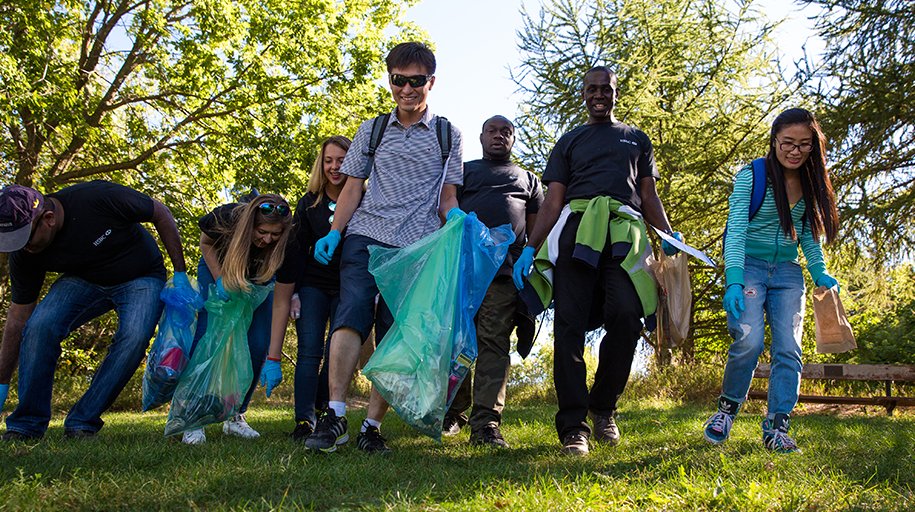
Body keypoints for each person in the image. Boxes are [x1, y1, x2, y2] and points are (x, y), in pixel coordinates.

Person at [305, 41, 464, 454]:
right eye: (399, 80)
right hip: (365, 236)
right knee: (350, 312)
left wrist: (457, 219)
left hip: (416, 248)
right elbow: (353, 186)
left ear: (431, 82)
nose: (407, 89)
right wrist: (335, 232)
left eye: (416, 81)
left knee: (396, 334)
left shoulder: (449, 135)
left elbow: (447, 198)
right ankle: (336, 415)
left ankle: (371, 427)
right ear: (390, 79)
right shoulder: (371, 130)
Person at [513, 66, 680, 456]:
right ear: (584, 93)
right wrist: (529, 247)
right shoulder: (570, 141)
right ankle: (574, 426)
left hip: (624, 235)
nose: (599, 95)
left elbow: (648, 196)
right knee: (569, 326)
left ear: (616, 93)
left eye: (606, 89)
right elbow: (554, 200)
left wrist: (669, 234)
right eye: (592, 89)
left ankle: (603, 408)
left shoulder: (636, 139)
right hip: (577, 235)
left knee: (626, 315)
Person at [0, 181, 190, 440]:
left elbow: (160, 212)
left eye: (26, 239)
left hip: (141, 275)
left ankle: (82, 420)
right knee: (40, 326)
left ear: (49, 218)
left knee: (134, 336)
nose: (23, 248)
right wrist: (2, 381)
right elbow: (18, 319)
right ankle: (26, 425)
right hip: (83, 280)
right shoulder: (25, 254)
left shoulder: (98, 198)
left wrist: (179, 273)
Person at [703, 108, 840, 453]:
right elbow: (735, 230)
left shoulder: (811, 182)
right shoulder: (753, 175)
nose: (795, 152)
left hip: (787, 272)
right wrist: (733, 279)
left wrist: (819, 270)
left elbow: (807, 236)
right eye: (788, 143)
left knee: (789, 349)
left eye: (804, 145)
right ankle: (727, 410)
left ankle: (777, 425)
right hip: (748, 266)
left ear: (814, 147)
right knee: (748, 340)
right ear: (774, 141)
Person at [441, 115, 543, 448]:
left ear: (513, 139)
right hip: (463, 267)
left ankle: (486, 424)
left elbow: (537, 228)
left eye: (506, 132)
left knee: (493, 343)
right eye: (492, 131)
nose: (499, 136)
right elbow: (446, 204)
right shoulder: (465, 171)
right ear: (482, 137)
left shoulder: (528, 180)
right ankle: (453, 412)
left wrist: (529, 257)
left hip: (504, 272)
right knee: (455, 342)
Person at [180, 193, 293, 445]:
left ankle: (235, 415)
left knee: (257, 344)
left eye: (275, 235)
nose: (267, 239)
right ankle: (193, 417)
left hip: (259, 280)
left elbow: (282, 286)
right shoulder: (227, 217)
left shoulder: (285, 240)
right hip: (219, 269)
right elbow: (206, 241)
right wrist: (220, 278)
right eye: (262, 231)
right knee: (208, 338)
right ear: (251, 223)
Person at [262, 135, 352, 442]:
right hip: (312, 285)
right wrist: (295, 292)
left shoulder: (362, 198)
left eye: (341, 160)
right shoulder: (308, 202)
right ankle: (304, 420)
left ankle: (328, 414)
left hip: (347, 287)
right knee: (309, 351)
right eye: (328, 160)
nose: (334, 167)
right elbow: (294, 251)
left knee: (336, 353)